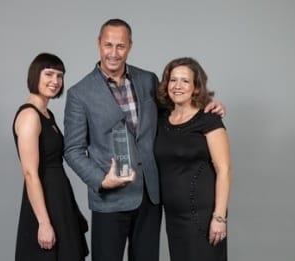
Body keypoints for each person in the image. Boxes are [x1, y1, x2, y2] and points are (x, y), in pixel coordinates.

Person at [64, 19, 225, 261]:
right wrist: (101, 180)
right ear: (98, 44)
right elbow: (73, 150)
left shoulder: (148, 80)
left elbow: (177, 109)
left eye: (120, 46)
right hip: (110, 200)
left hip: (150, 198)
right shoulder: (79, 93)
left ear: (130, 46)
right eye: (108, 45)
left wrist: (207, 106)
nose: (114, 53)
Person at [12, 53, 88, 261]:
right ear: (35, 75)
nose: (55, 81)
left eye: (60, 76)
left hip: (59, 198)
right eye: (49, 74)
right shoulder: (30, 116)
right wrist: (44, 223)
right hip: (45, 201)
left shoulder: (46, 114)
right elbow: (29, 173)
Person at [154, 57, 232, 261]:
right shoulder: (161, 119)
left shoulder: (209, 119)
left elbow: (224, 170)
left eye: (185, 81)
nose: (177, 86)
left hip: (203, 218)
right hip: (173, 217)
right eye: (173, 80)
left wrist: (220, 217)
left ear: (196, 87)